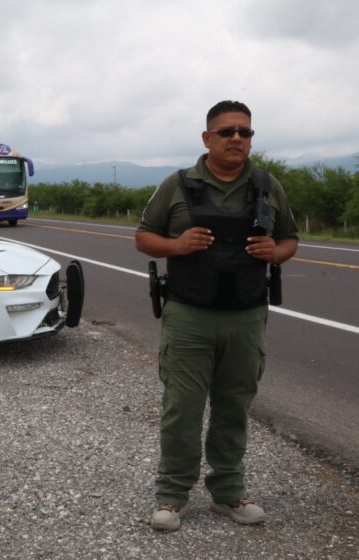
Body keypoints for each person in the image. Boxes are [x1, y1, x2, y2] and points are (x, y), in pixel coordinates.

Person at [135, 100, 299, 531]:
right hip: (189, 316)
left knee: (234, 408)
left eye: (245, 132)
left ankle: (228, 493)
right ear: (207, 138)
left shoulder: (268, 186)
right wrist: (176, 246)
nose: (237, 139)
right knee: (182, 409)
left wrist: (276, 251)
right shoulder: (177, 185)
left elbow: (290, 239)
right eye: (227, 132)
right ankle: (172, 496)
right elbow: (144, 237)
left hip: (246, 316)